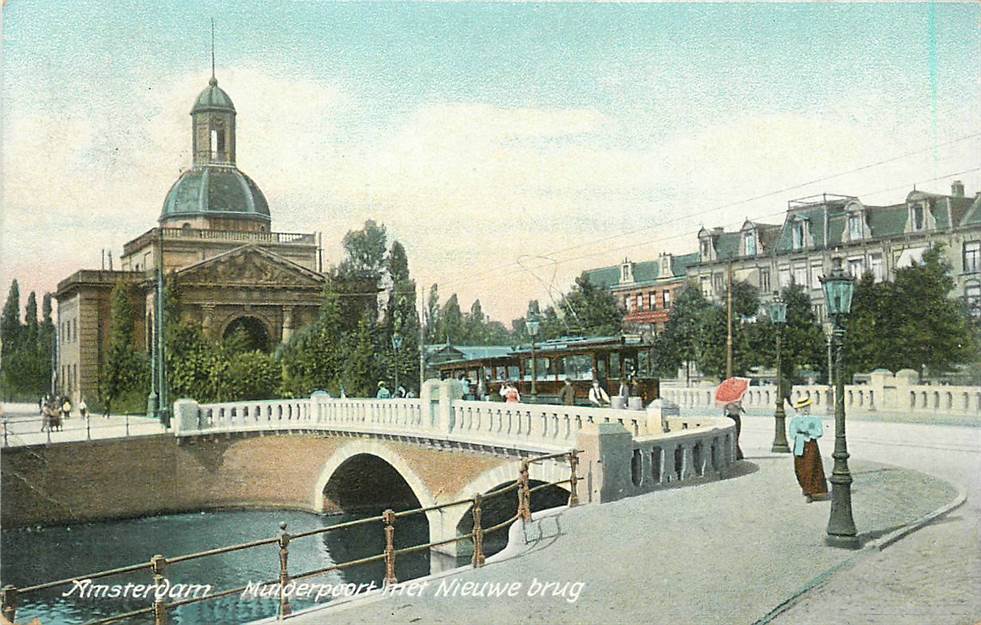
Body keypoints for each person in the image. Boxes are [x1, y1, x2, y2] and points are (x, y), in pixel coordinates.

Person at [788, 397, 829, 502]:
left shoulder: (814, 419)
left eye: (807, 407)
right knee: (800, 468)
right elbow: (792, 434)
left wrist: (808, 432)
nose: (805, 409)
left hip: (811, 444)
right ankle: (804, 486)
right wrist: (800, 433)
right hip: (799, 443)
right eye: (802, 407)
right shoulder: (795, 420)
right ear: (798, 409)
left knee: (811, 467)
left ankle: (809, 492)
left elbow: (819, 432)